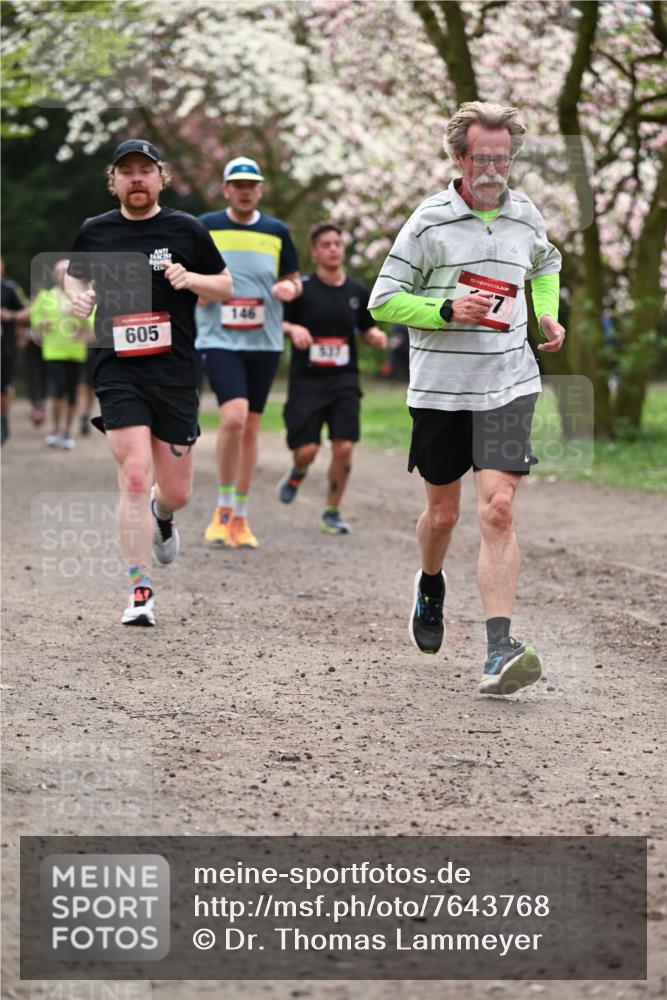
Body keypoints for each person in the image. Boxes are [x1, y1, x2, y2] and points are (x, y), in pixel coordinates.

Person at [368, 101, 566, 696]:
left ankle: (498, 648)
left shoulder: (526, 213)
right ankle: (430, 581)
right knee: (444, 514)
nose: (493, 170)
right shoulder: (428, 222)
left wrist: (547, 314)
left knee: (498, 509)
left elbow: (547, 262)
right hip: (441, 389)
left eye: (503, 159)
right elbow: (383, 300)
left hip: (509, 382)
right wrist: (446, 309)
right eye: (482, 158)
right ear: (459, 158)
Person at [65, 138, 232, 625]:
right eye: (126, 172)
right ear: (113, 181)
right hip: (116, 365)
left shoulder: (187, 228)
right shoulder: (95, 231)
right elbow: (75, 277)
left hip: (175, 369)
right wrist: (78, 297)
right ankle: (140, 589)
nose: (136, 179)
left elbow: (225, 284)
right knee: (135, 474)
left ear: (161, 177)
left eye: (145, 171)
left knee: (175, 490)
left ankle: (164, 515)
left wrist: (192, 280)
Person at [196, 156, 301, 549]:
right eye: (237, 184)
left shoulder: (276, 231)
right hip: (218, 338)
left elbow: (292, 278)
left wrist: (291, 290)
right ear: (226, 189)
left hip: (265, 341)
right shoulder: (206, 226)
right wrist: (198, 291)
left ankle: (240, 515)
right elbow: (186, 273)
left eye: (251, 184)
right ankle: (222, 510)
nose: (244, 191)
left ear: (259, 189)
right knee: (234, 418)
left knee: (252, 426)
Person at [277, 222, 387, 533]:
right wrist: (294, 328)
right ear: (314, 251)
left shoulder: (355, 291)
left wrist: (375, 335)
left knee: (344, 447)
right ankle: (299, 470)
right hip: (307, 381)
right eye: (326, 244)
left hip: (344, 381)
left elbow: (366, 327)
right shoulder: (303, 289)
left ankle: (331, 512)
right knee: (307, 450)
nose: (334, 249)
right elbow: (278, 324)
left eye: (338, 243)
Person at [31, 259, 91, 450]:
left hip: (75, 351)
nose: (62, 274)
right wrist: (42, 324)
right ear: (54, 275)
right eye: (59, 271)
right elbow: (34, 321)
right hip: (53, 351)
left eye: (66, 270)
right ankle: (56, 430)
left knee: (72, 393)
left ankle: (67, 432)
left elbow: (92, 325)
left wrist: (81, 327)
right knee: (57, 390)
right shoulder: (45, 296)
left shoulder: (83, 296)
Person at [1, 259, 30, 444]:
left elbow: (29, 311)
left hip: (4, 348)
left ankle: (3, 421)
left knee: (3, 387)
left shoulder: (9, 288)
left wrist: (10, 316)